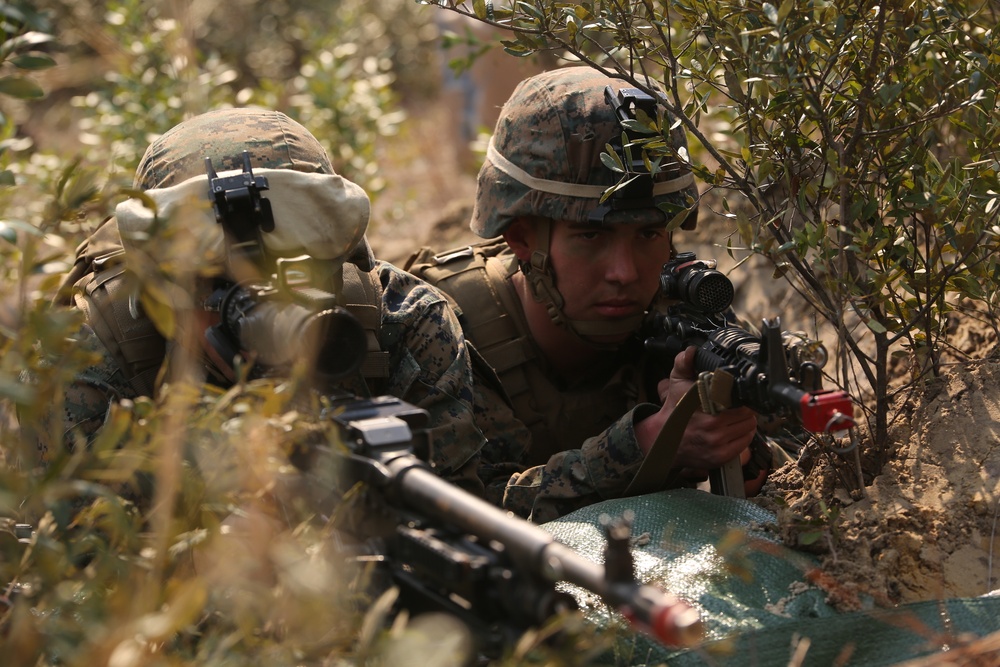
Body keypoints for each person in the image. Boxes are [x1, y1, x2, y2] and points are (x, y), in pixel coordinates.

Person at [33, 107, 485, 496]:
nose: (266, 307)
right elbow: (78, 570)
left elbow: (457, 500)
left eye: (292, 274)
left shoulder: (403, 319)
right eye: (219, 285)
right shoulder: (85, 355)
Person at [407, 67, 771, 523]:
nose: (624, 273)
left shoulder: (681, 313)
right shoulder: (443, 328)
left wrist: (744, 458)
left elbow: (800, 448)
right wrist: (645, 443)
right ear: (522, 239)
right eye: (591, 237)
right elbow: (459, 512)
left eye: (648, 234)